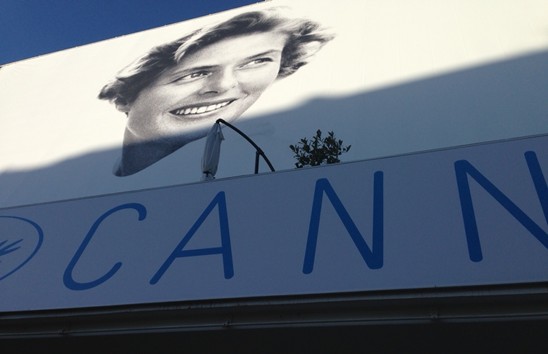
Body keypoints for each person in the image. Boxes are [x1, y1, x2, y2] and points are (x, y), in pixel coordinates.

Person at [99, 7, 334, 176]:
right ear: (124, 98)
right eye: (193, 74)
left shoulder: (278, 164)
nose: (223, 86)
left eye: (257, 61)